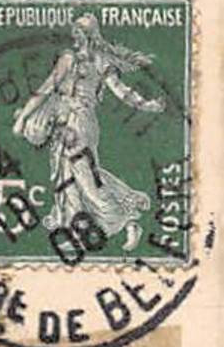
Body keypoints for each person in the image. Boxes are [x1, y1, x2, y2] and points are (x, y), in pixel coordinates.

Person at [11, 13, 166, 252]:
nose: (76, 35)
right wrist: (24, 118)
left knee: (85, 178)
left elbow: (120, 90)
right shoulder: (69, 58)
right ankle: (74, 229)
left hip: (79, 124)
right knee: (68, 177)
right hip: (66, 122)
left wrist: (146, 105)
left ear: (89, 34)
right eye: (75, 31)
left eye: (80, 32)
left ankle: (127, 221)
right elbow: (47, 89)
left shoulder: (95, 60)